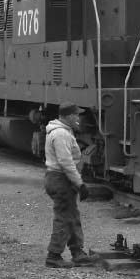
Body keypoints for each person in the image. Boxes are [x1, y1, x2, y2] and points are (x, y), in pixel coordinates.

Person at [44, 101, 99, 268]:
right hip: (61, 180)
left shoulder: (63, 131)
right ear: (68, 116)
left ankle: (77, 253)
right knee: (63, 217)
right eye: (76, 115)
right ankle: (53, 256)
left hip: (60, 179)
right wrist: (79, 183)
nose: (78, 118)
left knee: (72, 215)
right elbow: (65, 162)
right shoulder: (61, 134)